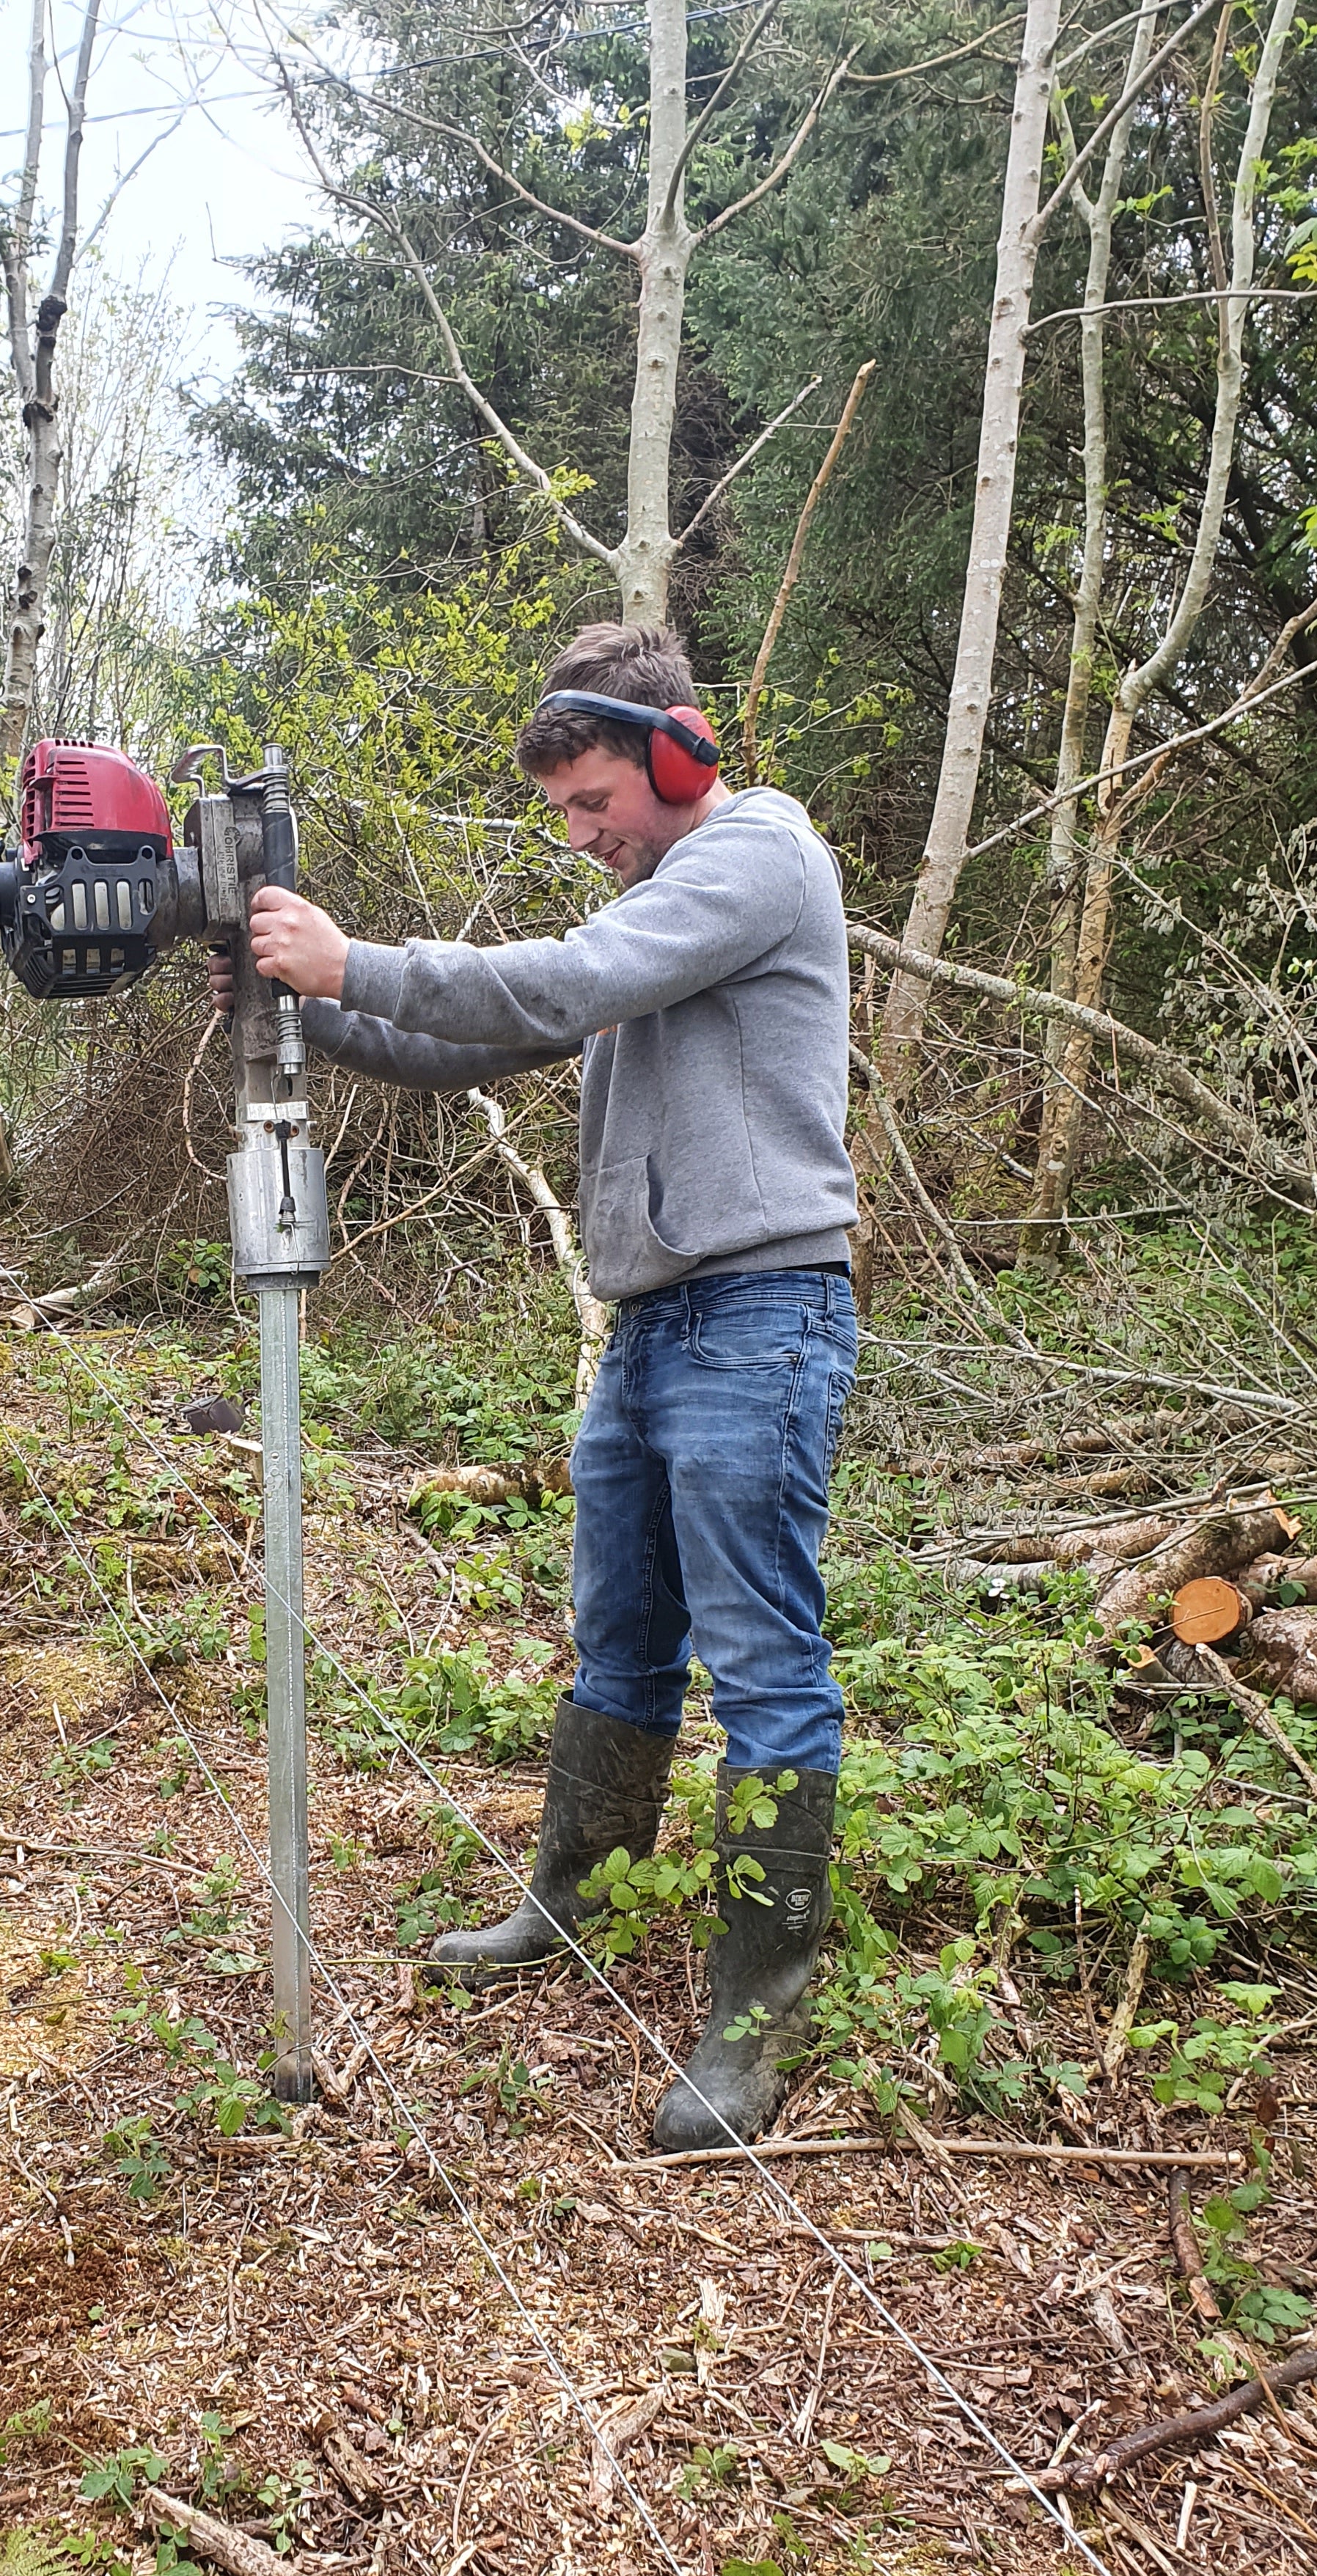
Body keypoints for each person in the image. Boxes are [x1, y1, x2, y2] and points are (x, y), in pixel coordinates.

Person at [227, 619, 856, 2148]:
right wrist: (308, 1003)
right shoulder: (660, 904)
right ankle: (568, 1904)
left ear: (679, 751)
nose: (584, 838)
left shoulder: (752, 860)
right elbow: (483, 1044)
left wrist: (354, 955)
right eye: (565, 815)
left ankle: (753, 2023)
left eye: (596, 805)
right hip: (653, 1322)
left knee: (763, 1668)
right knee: (620, 1637)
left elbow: (558, 984)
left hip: (760, 1309)